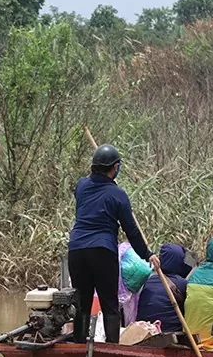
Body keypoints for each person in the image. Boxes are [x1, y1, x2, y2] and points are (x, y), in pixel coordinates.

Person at [68, 144, 159, 344]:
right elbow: (131, 230)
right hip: (102, 251)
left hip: (76, 250)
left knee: (81, 303)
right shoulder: (118, 195)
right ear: (115, 168)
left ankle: (78, 345)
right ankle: (111, 349)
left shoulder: (81, 186)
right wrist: (147, 254)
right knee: (109, 303)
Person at [136, 244, 193, 333]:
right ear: (179, 262)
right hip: (170, 332)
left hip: (145, 330)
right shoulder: (182, 284)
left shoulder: (149, 280)